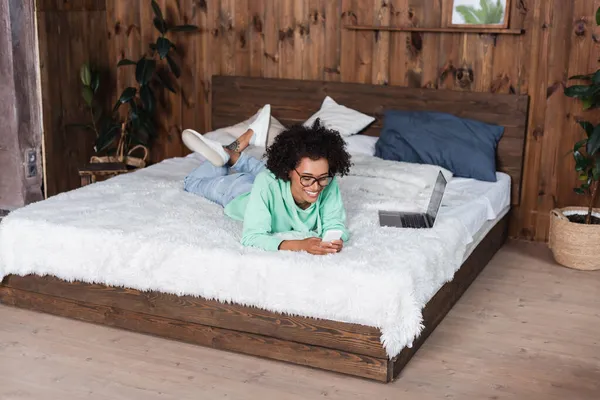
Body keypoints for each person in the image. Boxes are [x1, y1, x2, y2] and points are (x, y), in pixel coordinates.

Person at [182, 105, 352, 255]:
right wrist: (299, 245)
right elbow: (251, 237)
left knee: (269, 174)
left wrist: (334, 239)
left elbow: (334, 222)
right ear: (288, 171)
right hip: (239, 192)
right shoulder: (267, 182)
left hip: (274, 185)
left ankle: (235, 148)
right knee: (191, 182)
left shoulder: (327, 181)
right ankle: (227, 153)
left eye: (322, 178)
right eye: (307, 178)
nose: (316, 187)